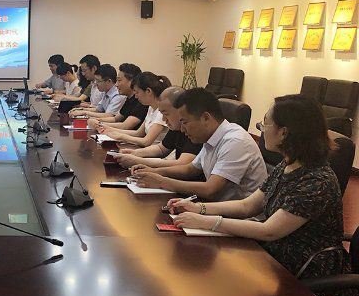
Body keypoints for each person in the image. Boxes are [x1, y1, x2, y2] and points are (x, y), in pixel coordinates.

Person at [169, 95, 357, 296]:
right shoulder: (287, 165)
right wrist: (199, 209)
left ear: (284, 133)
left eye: (264, 123)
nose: (260, 129)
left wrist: (206, 222)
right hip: (272, 259)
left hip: (305, 277)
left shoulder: (317, 181)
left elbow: (269, 231)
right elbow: (248, 206)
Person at [131, 87, 267, 201]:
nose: (182, 130)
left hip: (242, 219)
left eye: (185, 122)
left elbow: (210, 189)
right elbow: (190, 169)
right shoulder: (211, 137)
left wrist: (161, 182)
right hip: (217, 208)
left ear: (205, 118)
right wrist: (154, 172)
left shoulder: (235, 141)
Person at [112, 86, 202, 168]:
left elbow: (183, 164)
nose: (163, 119)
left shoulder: (194, 129)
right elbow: (161, 149)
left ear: (180, 110)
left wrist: (138, 161)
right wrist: (135, 153)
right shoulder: (176, 127)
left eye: (166, 114)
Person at [98, 71, 170, 147]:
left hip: (152, 151)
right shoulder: (151, 108)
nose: (135, 96)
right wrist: (109, 129)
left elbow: (146, 141)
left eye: (137, 92)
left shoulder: (161, 111)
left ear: (148, 91)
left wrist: (121, 137)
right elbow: (138, 133)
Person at [72, 63, 146, 130]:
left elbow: (125, 126)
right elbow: (115, 119)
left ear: (132, 81)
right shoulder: (129, 98)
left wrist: (99, 124)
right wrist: (94, 120)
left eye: (119, 80)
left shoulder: (141, 101)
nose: (116, 84)